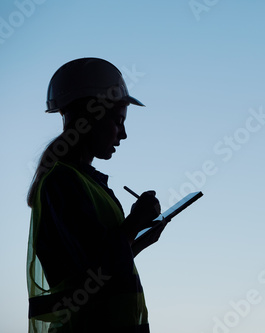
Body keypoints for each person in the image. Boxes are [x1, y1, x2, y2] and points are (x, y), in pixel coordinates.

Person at [26, 57, 165, 332]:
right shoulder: (62, 182)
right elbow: (96, 267)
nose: (123, 134)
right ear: (89, 116)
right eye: (117, 121)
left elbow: (98, 270)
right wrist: (134, 223)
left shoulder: (84, 182)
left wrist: (138, 241)